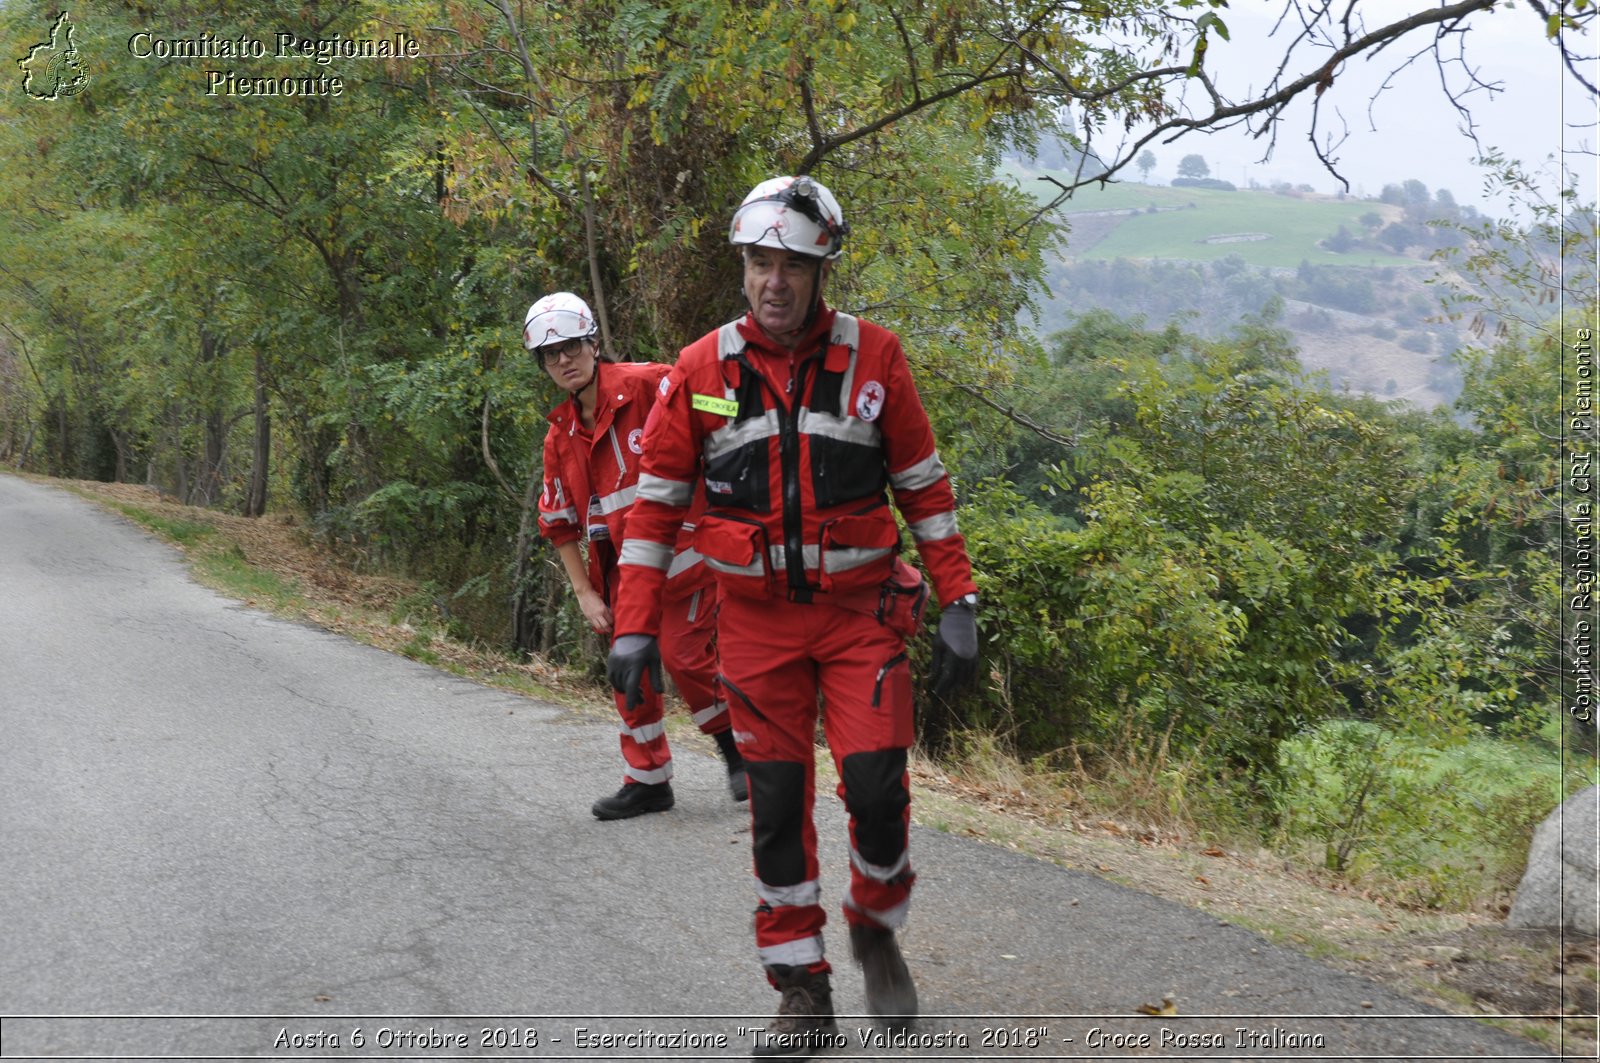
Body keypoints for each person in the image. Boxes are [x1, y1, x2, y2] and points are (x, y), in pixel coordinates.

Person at [606, 177, 980, 1055]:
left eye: (794, 265)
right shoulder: (699, 372)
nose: (775, 281)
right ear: (742, 267)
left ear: (822, 271)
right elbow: (655, 509)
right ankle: (803, 989)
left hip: (861, 621)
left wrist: (958, 597)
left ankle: (875, 921)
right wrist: (632, 625)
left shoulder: (876, 358)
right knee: (776, 808)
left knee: (879, 792)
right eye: (759, 262)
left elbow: (923, 487)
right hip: (757, 626)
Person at [525, 290, 747, 820]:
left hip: (690, 557)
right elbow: (559, 524)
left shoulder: (648, 384)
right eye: (550, 355)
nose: (563, 361)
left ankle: (740, 752)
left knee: (684, 657)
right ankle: (648, 780)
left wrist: (742, 418)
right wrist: (584, 593)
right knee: (631, 673)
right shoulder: (561, 436)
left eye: (572, 347)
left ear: (593, 344)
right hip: (626, 575)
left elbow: (720, 406)